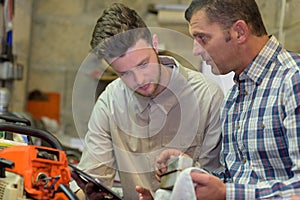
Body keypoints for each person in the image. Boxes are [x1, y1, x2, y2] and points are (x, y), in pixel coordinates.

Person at [71, 3, 224, 200]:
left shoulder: (208, 97)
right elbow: (92, 180)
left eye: (143, 64)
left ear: (154, 43)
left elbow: (218, 184)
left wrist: (185, 172)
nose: (139, 80)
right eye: (125, 73)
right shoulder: (109, 103)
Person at [149, 0, 300, 199]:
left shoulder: (293, 81)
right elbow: (235, 179)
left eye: (202, 38)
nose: (196, 50)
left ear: (239, 32)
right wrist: (191, 173)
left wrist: (225, 193)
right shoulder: (232, 99)